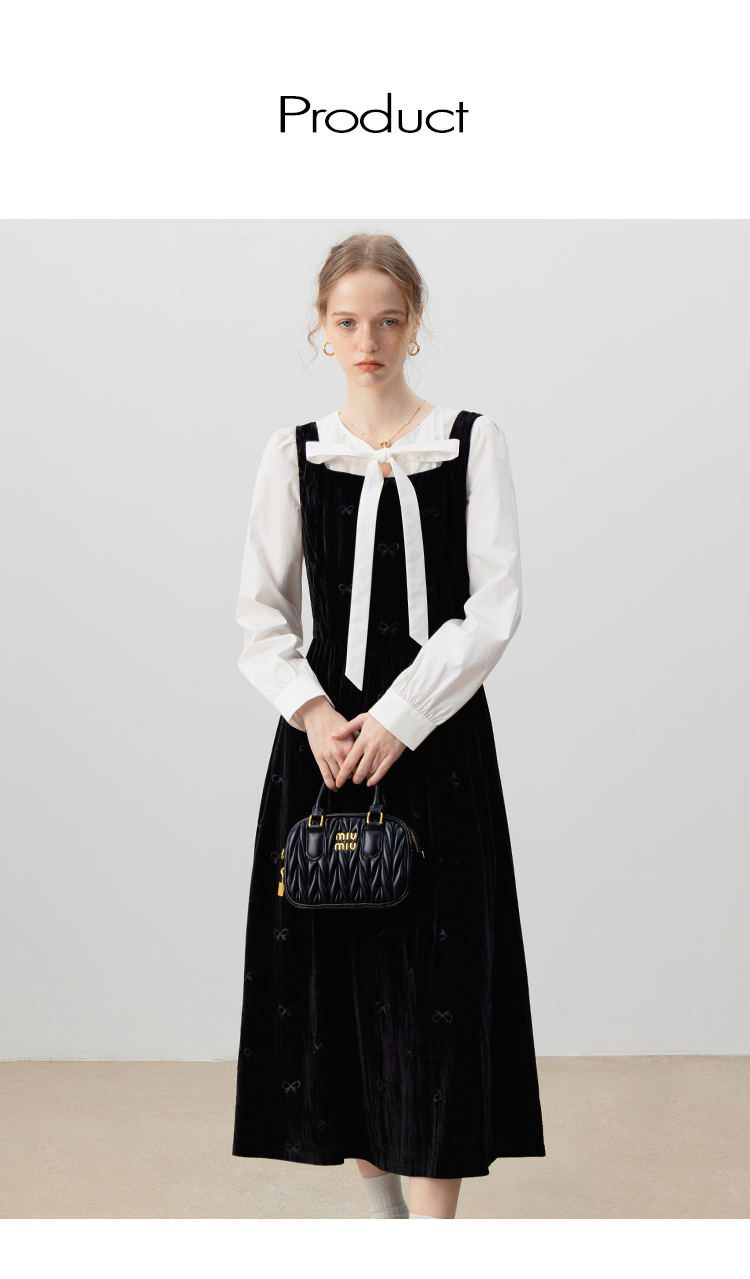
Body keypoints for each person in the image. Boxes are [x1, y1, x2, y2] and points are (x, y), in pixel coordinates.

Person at [232, 232, 545, 1219]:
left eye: (388, 320)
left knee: (437, 998)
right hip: (326, 754)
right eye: (348, 321)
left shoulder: (471, 440)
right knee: (341, 1000)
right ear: (321, 330)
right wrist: (318, 715)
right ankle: (388, 1228)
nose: (368, 341)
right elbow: (259, 615)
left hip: (439, 750)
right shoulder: (293, 453)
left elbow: (494, 607)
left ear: (415, 324)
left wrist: (402, 718)